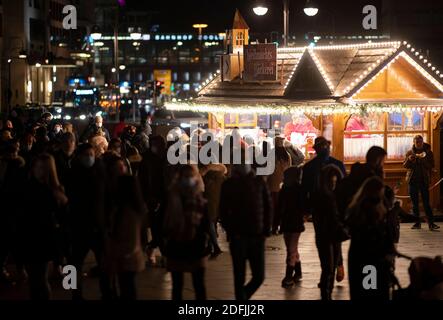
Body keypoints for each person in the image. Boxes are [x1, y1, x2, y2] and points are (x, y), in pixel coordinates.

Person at [18, 153, 68, 300]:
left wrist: (62, 203)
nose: (41, 171)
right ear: (33, 168)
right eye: (39, 167)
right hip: (29, 237)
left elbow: (63, 216)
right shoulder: (28, 186)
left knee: (39, 278)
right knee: (35, 281)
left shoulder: (54, 190)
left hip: (44, 239)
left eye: (45, 169)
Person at [220, 162, 273, 300]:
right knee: (239, 276)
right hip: (238, 236)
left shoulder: (259, 182)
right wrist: (230, 230)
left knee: (259, 276)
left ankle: (243, 297)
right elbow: (223, 211)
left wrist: (266, 230)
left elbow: (268, 207)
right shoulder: (229, 184)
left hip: (257, 236)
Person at [65, 143, 111, 300]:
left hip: (98, 226)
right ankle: (73, 294)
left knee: (104, 264)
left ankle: (107, 293)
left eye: (91, 154)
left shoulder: (101, 173)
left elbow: (106, 200)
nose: (89, 158)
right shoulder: (72, 175)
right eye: (86, 155)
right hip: (78, 226)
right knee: (73, 264)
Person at [301, 136, 347, 282]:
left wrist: (306, 210)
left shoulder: (309, 167)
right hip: (328, 207)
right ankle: (333, 268)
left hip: (321, 208)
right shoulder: (337, 164)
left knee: (324, 239)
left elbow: (305, 190)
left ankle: (330, 270)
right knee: (332, 238)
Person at [163, 165, 210, 300]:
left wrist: (204, 239)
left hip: (196, 247)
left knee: (199, 285)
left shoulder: (200, 200)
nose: (188, 180)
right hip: (176, 247)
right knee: (177, 286)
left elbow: (206, 223)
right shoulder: (172, 198)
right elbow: (165, 221)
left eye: (191, 176)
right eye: (186, 176)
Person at [346, 176, 396, 300]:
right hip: (371, 260)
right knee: (372, 290)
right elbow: (378, 235)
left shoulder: (356, 207)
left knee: (362, 291)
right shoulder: (372, 207)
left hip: (359, 256)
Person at [107, 176, 147, 300]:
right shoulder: (135, 209)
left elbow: (129, 241)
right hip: (130, 258)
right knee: (128, 288)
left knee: (127, 289)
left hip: (127, 258)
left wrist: (112, 254)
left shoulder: (128, 213)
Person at [312, 165, 345, 300]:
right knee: (328, 267)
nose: (333, 183)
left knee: (328, 267)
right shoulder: (327, 196)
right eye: (332, 181)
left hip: (327, 235)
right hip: (327, 234)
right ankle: (326, 294)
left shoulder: (322, 195)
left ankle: (327, 293)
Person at [403, 135, 439, 230]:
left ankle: (431, 224)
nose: (418, 144)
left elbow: (432, 165)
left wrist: (423, 160)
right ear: (414, 142)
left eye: (420, 142)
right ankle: (417, 223)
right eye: (417, 142)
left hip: (424, 180)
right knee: (414, 204)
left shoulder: (428, 152)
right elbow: (405, 166)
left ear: (423, 142)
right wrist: (409, 160)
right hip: (412, 180)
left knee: (426, 203)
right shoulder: (410, 152)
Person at [279, 166, 305, 288]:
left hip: (287, 222)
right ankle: (298, 272)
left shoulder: (284, 189)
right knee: (292, 249)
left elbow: (280, 206)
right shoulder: (300, 189)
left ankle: (289, 276)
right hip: (296, 222)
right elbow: (303, 206)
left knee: (291, 249)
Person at [200, 162, 226, 258]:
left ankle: (215, 247)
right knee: (212, 223)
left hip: (209, 202)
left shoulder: (207, 176)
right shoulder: (221, 175)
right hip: (217, 202)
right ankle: (210, 247)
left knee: (209, 224)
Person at [267, 137, 291, 234]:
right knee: (282, 206)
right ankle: (281, 226)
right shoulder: (287, 155)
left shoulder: (271, 155)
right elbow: (289, 169)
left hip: (272, 184)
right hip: (283, 184)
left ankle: (273, 226)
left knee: (273, 207)